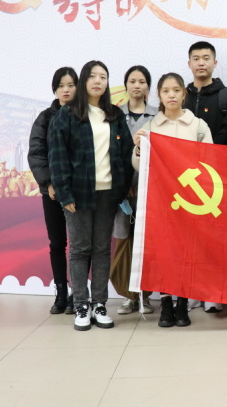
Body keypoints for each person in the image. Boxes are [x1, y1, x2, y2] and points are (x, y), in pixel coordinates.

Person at [49, 60, 134, 331]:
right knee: (79, 249)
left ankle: (99, 304)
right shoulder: (68, 114)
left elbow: (125, 153)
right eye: (93, 76)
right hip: (78, 195)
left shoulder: (114, 114)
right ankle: (81, 305)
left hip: (108, 194)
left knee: (101, 250)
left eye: (103, 77)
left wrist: (121, 189)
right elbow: (57, 157)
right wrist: (65, 194)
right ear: (84, 80)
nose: (98, 81)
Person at [132, 72, 214, 328]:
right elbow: (139, 166)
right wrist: (138, 148)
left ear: (184, 94)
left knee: (187, 250)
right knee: (164, 251)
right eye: (166, 91)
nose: (171, 95)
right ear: (158, 95)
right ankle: (166, 302)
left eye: (176, 90)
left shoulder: (198, 125)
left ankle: (183, 302)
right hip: (161, 201)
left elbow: (210, 161)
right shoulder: (150, 128)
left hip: (190, 201)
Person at [182, 41, 227, 313]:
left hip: (217, 179)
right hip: (184, 177)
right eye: (196, 58)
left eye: (206, 58)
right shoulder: (180, 95)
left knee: (216, 239)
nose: (201, 62)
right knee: (190, 238)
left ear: (215, 63)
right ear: (189, 64)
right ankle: (194, 290)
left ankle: (214, 292)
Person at [28, 66, 78, 315]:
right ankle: (61, 292)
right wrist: (48, 183)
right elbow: (36, 153)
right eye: (61, 86)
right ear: (55, 89)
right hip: (52, 192)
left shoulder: (84, 115)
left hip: (78, 191)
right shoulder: (45, 118)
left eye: (70, 85)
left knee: (80, 244)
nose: (65, 90)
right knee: (57, 243)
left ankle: (79, 293)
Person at [113, 66, 158, 316]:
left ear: (148, 86)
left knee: (147, 243)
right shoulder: (114, 115)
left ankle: (145, 296)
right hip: (121, 191)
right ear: (126, 85)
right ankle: (128, 297)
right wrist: (122, 184)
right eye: (132, 81)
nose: (137, 85)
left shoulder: (158, 115)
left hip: (151, 190)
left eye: (142, 81)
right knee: (124, 240)